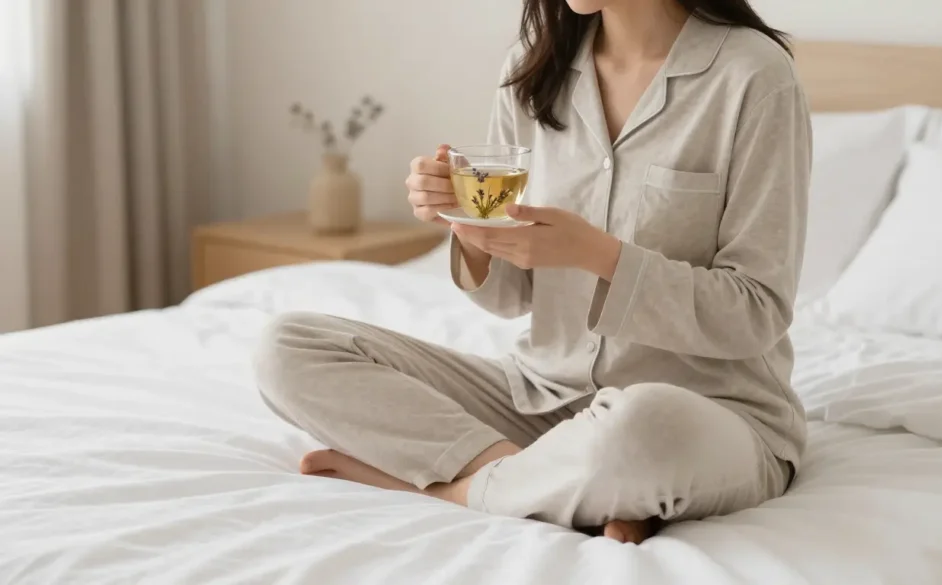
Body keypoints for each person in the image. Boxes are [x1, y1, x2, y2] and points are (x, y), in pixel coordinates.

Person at [255, 0, 811, 545]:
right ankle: (560, 485)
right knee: (287, 347)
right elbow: (511, 294)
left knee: (641, 428)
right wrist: (468, 228)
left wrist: (598, 254)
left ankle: (458, 491)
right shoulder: (535, 65)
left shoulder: (754, 75)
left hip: (705, 412)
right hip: (541, 396)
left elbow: (756, 311)